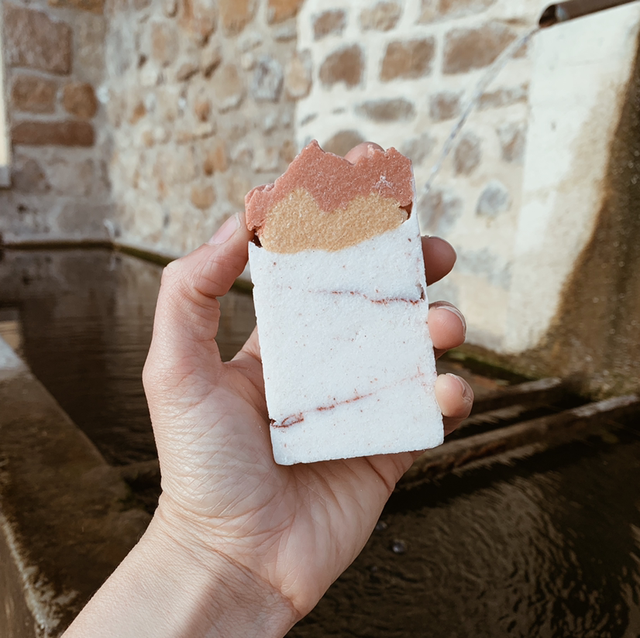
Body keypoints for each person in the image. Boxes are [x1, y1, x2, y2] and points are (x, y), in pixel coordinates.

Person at [62, 143, 473, 637]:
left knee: (438, 344)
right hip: (279, 474)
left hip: (354, 439)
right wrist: (206, 544)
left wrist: (203, 553)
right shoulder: (278, 226)